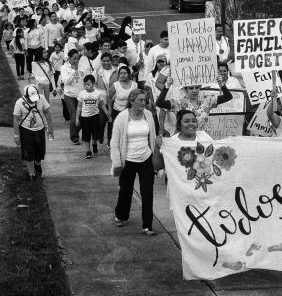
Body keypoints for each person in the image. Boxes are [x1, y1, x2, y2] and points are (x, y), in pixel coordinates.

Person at [111, 89, 161, 236]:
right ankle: (121, 215)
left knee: (147, 193)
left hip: (146, 159)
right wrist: (117, 162)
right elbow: (114, 142)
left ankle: (147, 226)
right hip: (128, 160)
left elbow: (153, 136)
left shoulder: (148, 115)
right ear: (131, 101)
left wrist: (156, 151)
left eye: (145, 100)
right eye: (140, 100)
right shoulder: (122, 117)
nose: (143, 103)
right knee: (125, 191)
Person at [155, 74, 233, 134]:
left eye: (197, 87)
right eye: (191, 88)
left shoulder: (207, 101)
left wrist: (221, 84)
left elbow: (228, 97)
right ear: (185, 89)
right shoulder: (178, 102)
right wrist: (167, 86)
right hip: (183, 139)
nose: (194, 91)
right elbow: (160, 103)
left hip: (202, 139)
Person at [12, 85, 54, 179]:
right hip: (26, 130)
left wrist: (50, 128)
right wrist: (16, 135)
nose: (34, 100)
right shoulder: (19, 103)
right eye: (31, 98)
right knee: (28, 152)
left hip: (40, 129)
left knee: (40, 152)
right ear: (26, 96)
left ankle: (37, 162)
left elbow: (47, 113)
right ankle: (32, 174)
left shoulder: (41, 98)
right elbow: (16, 119)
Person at [76, 74, 108, 158]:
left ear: (93, 84)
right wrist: (77, 118)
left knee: (95, 134)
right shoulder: (81, 93)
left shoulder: (98, 93)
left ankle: (94, 143)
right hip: (84, 117)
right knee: (86, 134)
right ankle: (88, 151)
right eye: (85, 84)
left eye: (88, 84)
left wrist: (107, 113)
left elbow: (102, 104)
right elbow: (79, 106)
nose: (86, 86)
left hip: (95, 117)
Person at [56, 50, 83, 145]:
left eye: (78, 58)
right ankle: (74, 137)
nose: (76, 60)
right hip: (69, 96)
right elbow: (66, 81)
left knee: (81, 117)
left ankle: (75, 132)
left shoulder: (82, 66)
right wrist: (73, 70)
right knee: (74, 115)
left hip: (81, 96)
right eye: (74, 58)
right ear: (69, 58)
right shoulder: (64, 68)